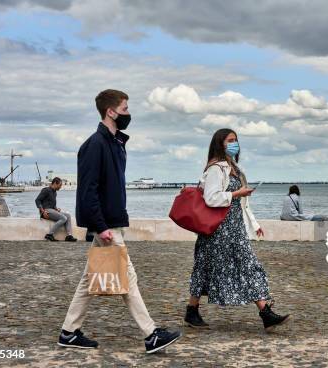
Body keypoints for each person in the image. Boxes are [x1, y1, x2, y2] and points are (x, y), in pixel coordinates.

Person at [58, 89, 182, 353]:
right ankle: (151, 334)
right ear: (110, 111)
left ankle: (68, 332)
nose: (128, 114)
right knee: (128, 276)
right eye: (125, 109)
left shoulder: (114, 143)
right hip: (107, 225)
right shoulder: (95, 144)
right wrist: (100, 226)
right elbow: (88, 190)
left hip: (110, 221)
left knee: (90, 278)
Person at [184, 128, 291, 332]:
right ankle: (192, 310)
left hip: (235, 229)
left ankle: (265, 312)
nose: (235, 143)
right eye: (230, 140)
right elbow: (211, 198)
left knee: (248, 266)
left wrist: (254, 223)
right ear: (220, 143)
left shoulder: (235, 168)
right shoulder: (216, 168)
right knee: (205, 268)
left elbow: (244, 204)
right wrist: (236, 193)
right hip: (217, 230)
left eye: (236, 140)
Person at [35, 177, 76, 242]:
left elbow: (52, 204)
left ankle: (69, 236)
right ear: (55, 183)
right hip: (46, 211)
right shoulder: (46, 190)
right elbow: (37, 200)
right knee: (63, 218)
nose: (60, 187)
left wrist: (56, 208)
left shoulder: (55, 193)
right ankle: (49, 235)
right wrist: (42, 211)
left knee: (68, 216)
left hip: (52, 210)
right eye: (60, 185)